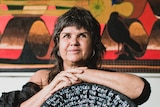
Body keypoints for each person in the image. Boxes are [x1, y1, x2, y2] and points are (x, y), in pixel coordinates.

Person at [0, 7, 151, 107]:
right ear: (58, 45)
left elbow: (140, 89)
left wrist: (81, 73)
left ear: (94, 45)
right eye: (66, 36)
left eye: (82, 35)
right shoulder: (43, 78)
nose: (74, 42)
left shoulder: (104, 78)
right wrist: (52, 87)